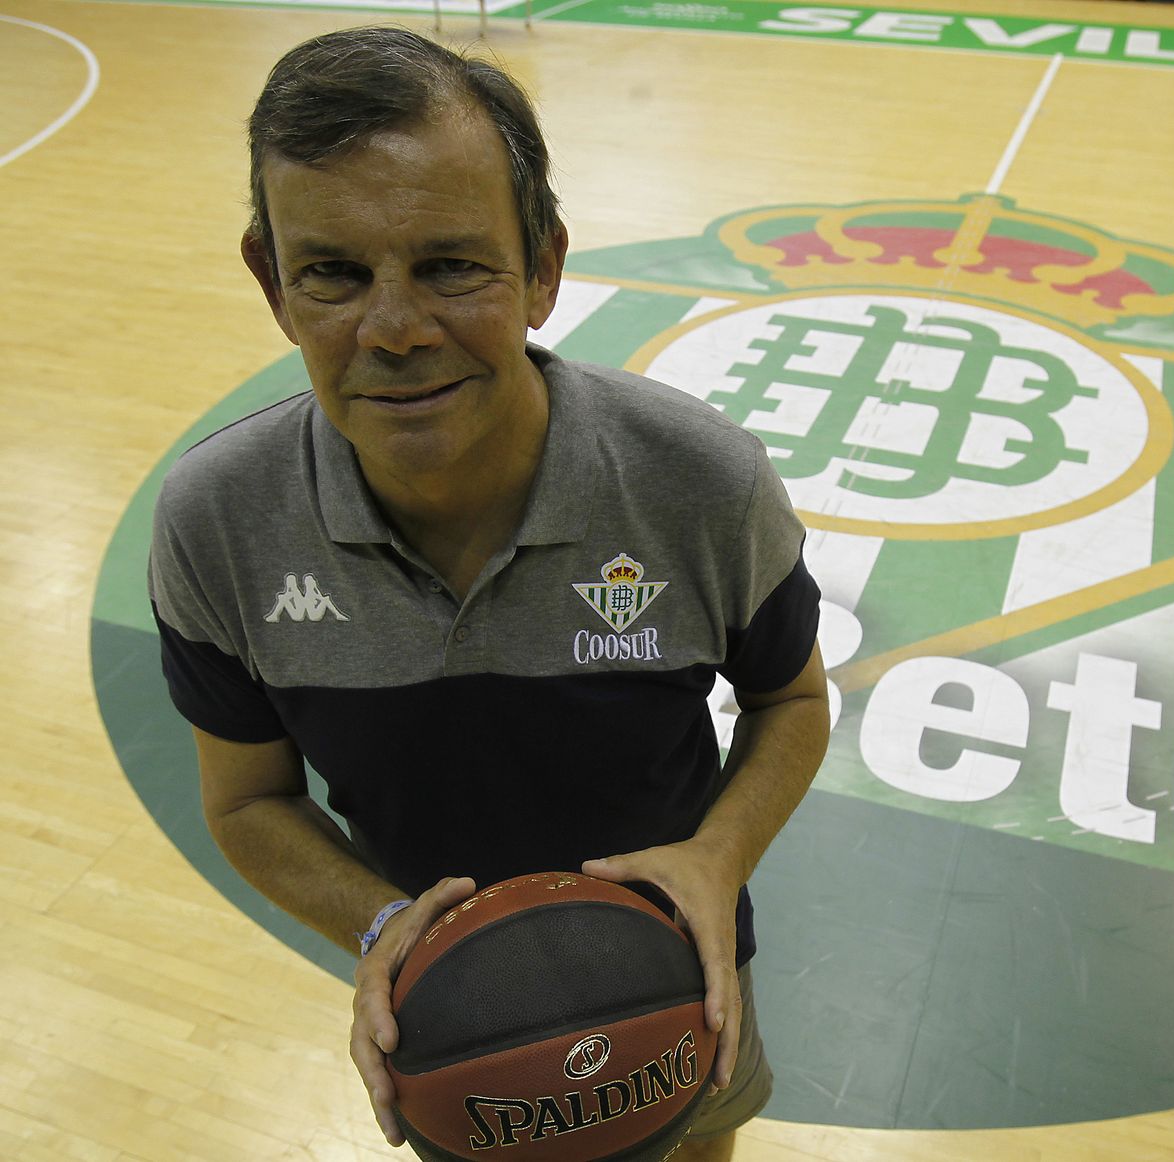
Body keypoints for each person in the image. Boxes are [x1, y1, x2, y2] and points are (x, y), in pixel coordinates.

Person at [147, 26, 828, 1161]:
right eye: (334, 272)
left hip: (680, 967)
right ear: (272, 283)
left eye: (452, 265)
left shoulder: (697, 481)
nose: (396, 328)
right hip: (455, 1026)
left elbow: (792, 704)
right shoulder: (217, 522)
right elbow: (247, 803)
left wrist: (715, 860)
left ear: (544, 268)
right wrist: (379, 925)